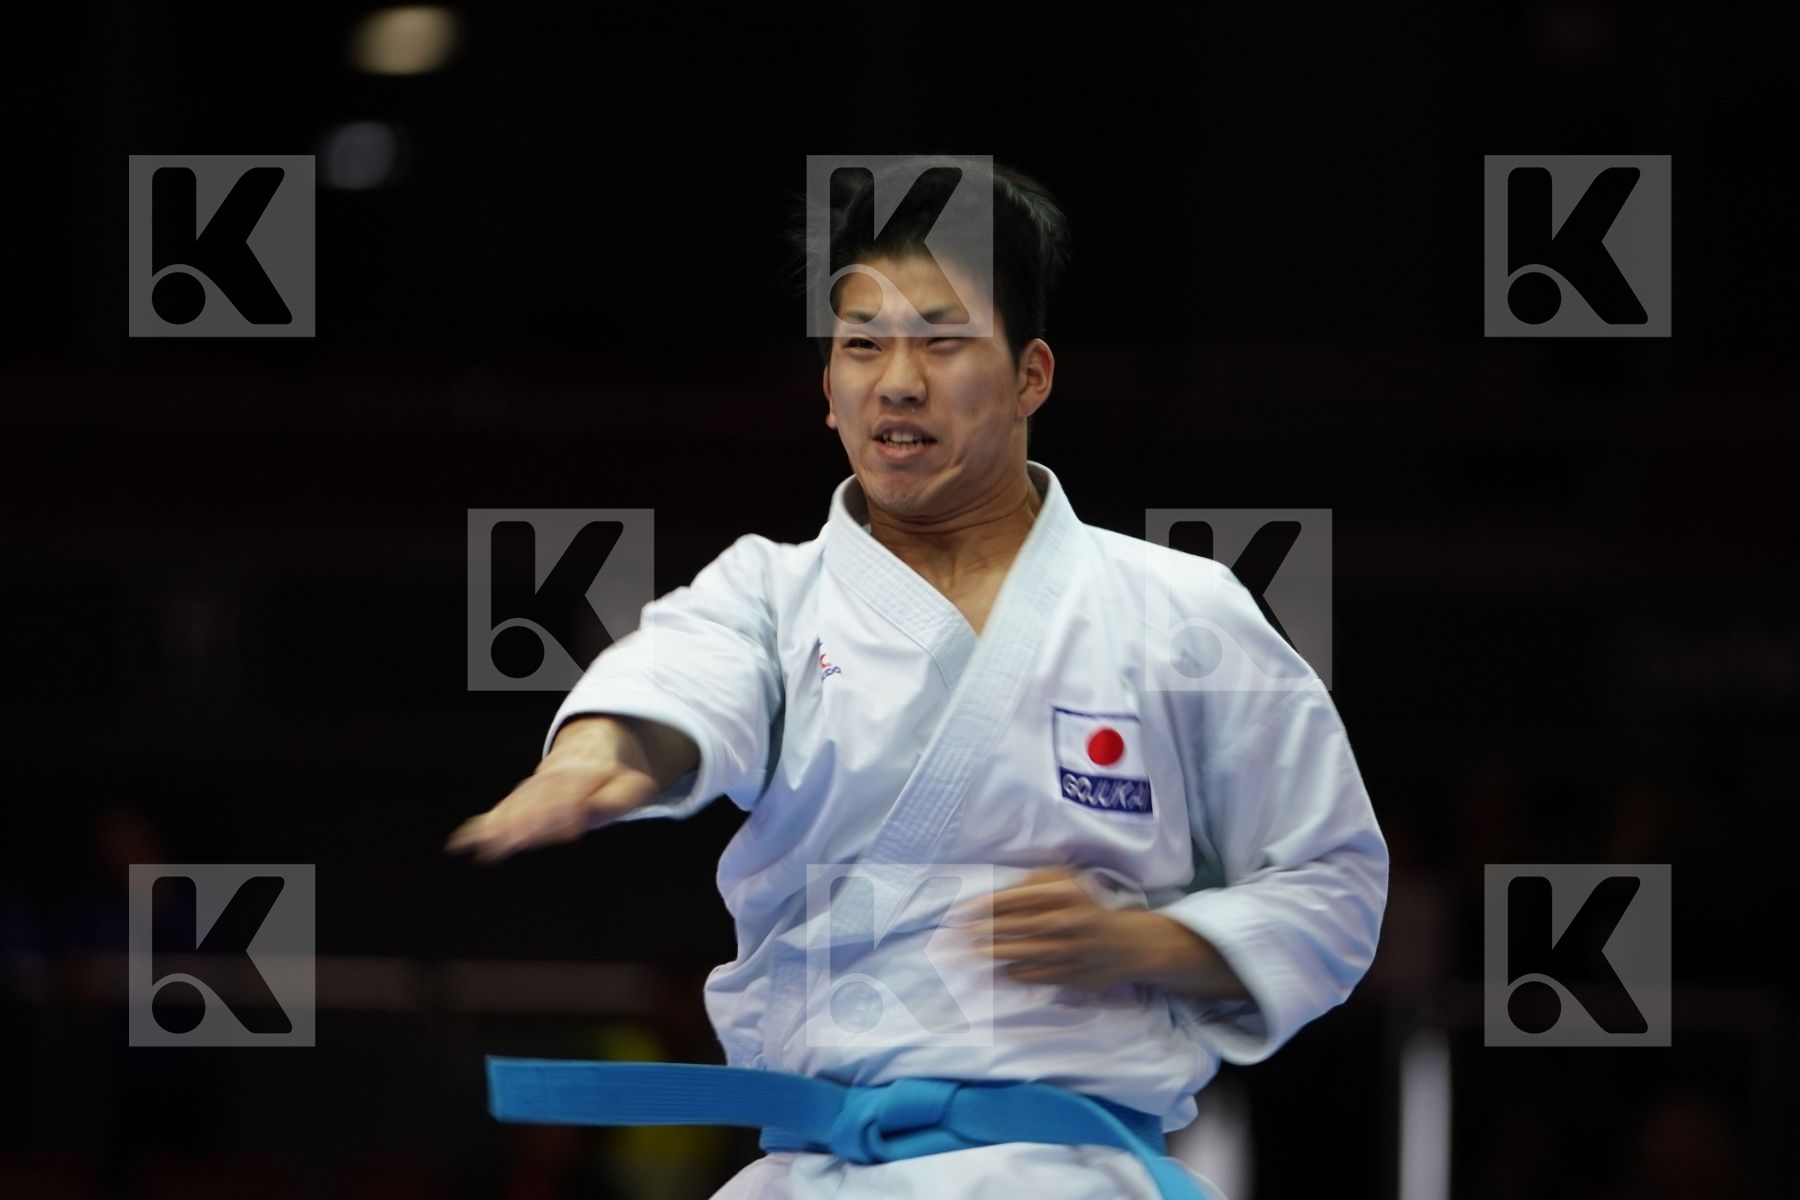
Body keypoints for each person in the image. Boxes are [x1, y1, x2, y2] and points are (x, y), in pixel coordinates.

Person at [447, 158, 1388, 1199]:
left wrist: (1142, 942)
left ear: (1032, 375)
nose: (898, 379)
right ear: (829, 391)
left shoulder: (1181, 611)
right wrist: (605, 751)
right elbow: (681, 680)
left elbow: (1332, 884)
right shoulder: (770, 593)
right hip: (812, 1173)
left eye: (942, 340)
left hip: (1066, 1170)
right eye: (863, 344)